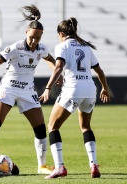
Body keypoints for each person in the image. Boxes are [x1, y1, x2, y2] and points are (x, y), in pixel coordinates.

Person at [0, 5, 62, 175]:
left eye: (38, 38)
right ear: (27, 32)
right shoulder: (15, 47)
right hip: (8, 88)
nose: (34, 41)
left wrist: (56, 72)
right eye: (32, 37)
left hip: (27, 91)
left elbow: (50, 59)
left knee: (40, 128)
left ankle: (41, 166)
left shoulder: (41, 49)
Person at [39, 17, 110, 179]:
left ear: (61, 33)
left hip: (73, 89)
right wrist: (105, 89)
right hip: (90, 90)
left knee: (53, 127)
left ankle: (59, 167)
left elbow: (58, 67)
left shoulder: (62, 46)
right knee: (85, 127)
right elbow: (99, 71)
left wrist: (48, 87)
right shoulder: (86, 47)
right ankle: (93, 164)